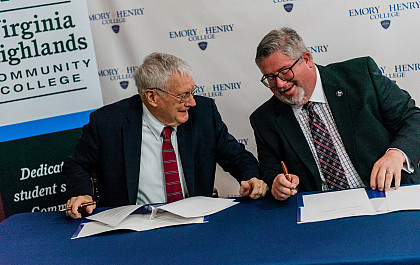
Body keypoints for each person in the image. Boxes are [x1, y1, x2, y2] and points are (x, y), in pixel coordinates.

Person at [63, 52, 268, 219]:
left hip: (194, 220)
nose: (191, 102)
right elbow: (77, 165)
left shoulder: (204, 114)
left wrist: (251, 178)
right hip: (134, 223)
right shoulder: (108, 122)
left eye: (192, 92)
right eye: (183, 96)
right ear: (152, 97)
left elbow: (236, 156)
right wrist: (82, 193)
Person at [250, 27, 420, 201]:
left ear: (307, 59)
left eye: (284, 72)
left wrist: (397, 153)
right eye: (270, 78)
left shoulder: (361, 76)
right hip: (322, 210)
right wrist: (277, 184)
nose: (279, 84)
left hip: (387, 194)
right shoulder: (264, 119)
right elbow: (270, 169)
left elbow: (413, 119)